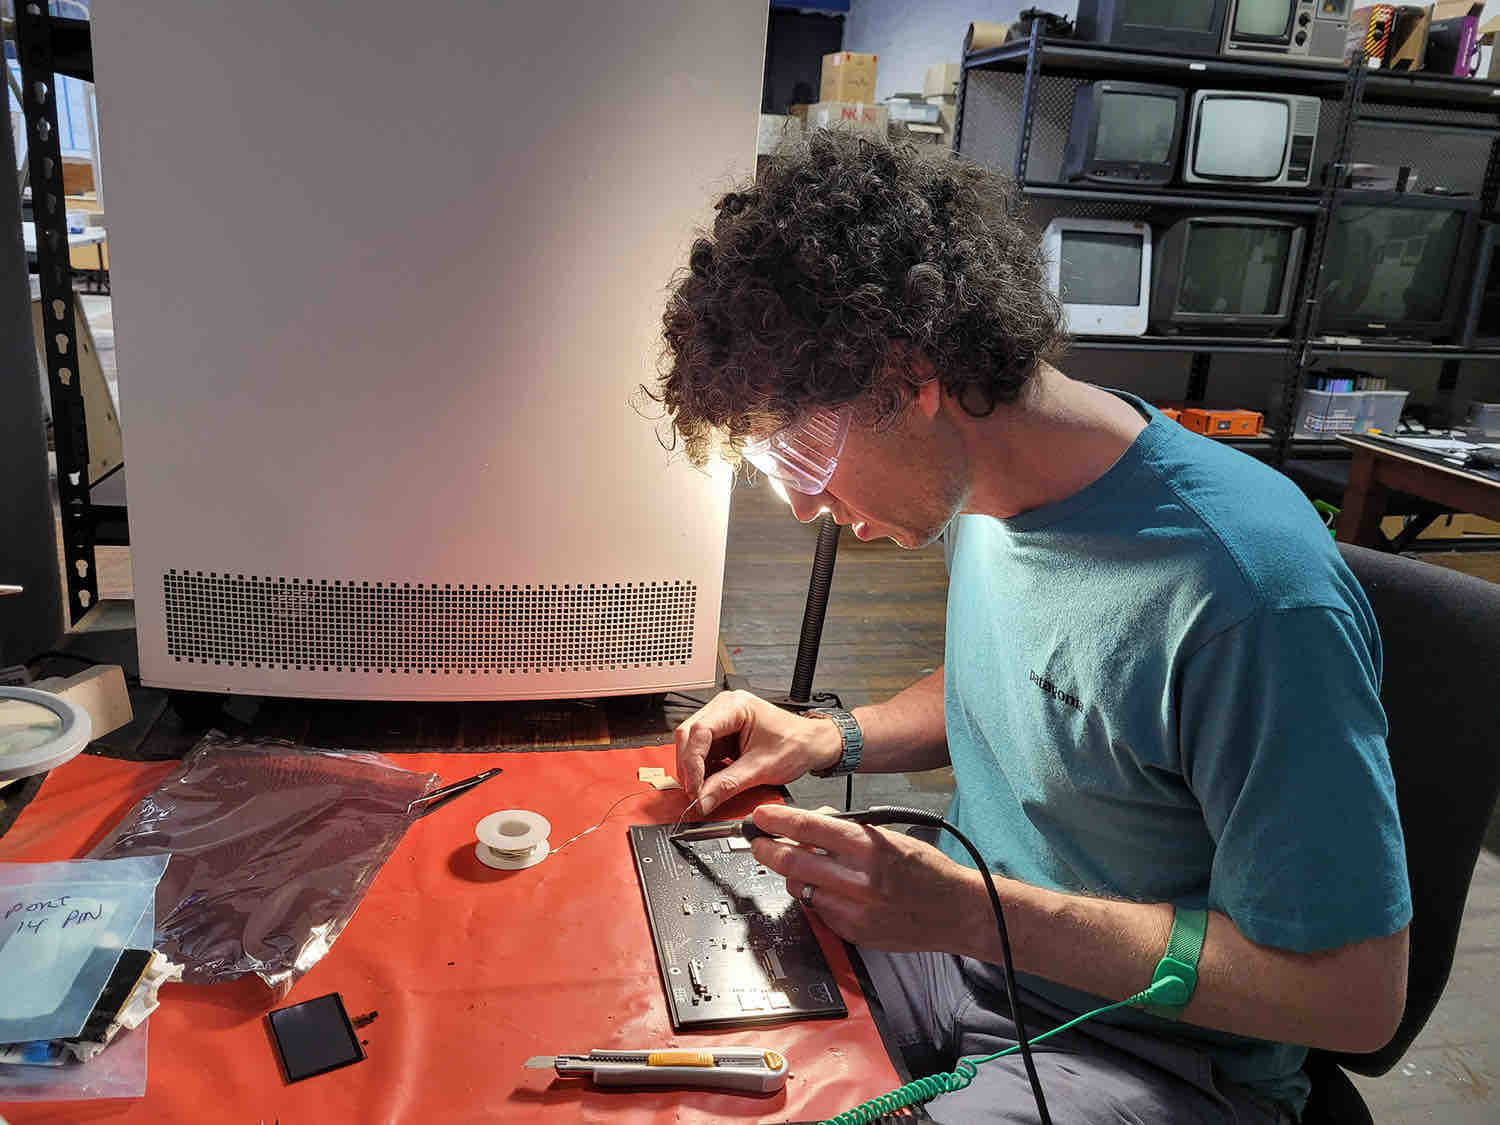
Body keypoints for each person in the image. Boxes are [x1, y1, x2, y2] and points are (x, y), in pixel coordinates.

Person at [643, 132, 1410, 1123]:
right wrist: (833, 735)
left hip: (1148, 1058)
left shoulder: (1247, 593)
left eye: (804, 459)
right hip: (971, 959)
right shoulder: (983, 491)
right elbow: (1044, 688)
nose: (802, 508)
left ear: (908, 375)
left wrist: (975, 912)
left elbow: (1353, 996)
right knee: (671, 941)